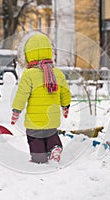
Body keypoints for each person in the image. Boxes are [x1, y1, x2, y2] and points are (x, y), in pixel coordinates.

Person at [11, 32, 71, 164]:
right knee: (51, 133)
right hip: (52, 117)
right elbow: (65, 92)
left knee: (35, 138)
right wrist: (65, 106)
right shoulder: (57, 73)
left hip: (35, 120)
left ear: (28, 54)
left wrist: (16, 110)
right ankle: (55, 147)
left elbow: (22, 94)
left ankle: (39, 158)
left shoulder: (29, 74)